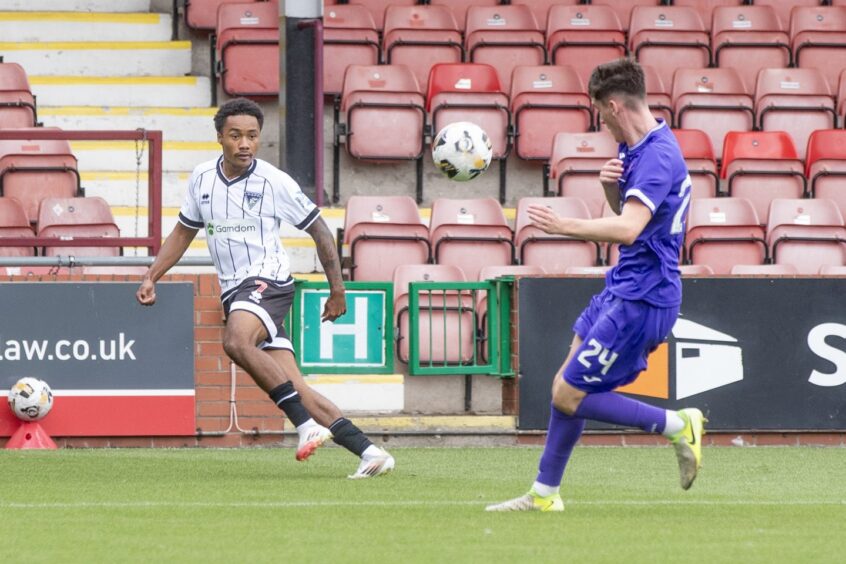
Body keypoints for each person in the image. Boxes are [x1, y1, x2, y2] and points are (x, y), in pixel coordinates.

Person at [486, 58, 705, 512]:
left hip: (644, 296)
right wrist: (611, 190)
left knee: (570, 392)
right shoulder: (637, 147)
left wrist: (563, 225)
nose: (600, 121)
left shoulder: (659, 156)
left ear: (613, 105)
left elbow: (627, 230)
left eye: (600, 113)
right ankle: (545, 495)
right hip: (622, 284)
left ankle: (677, 424)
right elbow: (637, 220)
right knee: (564, 387)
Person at [137, 97, 394, 479]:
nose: (244, 144)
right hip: (235, 291)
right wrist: (152, 274)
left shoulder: (274, 181)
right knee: (296, 386)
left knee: (236, 341)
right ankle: (370, 452)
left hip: (268, 281)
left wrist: (337, 288)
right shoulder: (202, 179)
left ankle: (304, 425)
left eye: (252, 136)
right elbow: (183, 231)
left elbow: (319, 228)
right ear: (220, 137)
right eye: (236, 135)